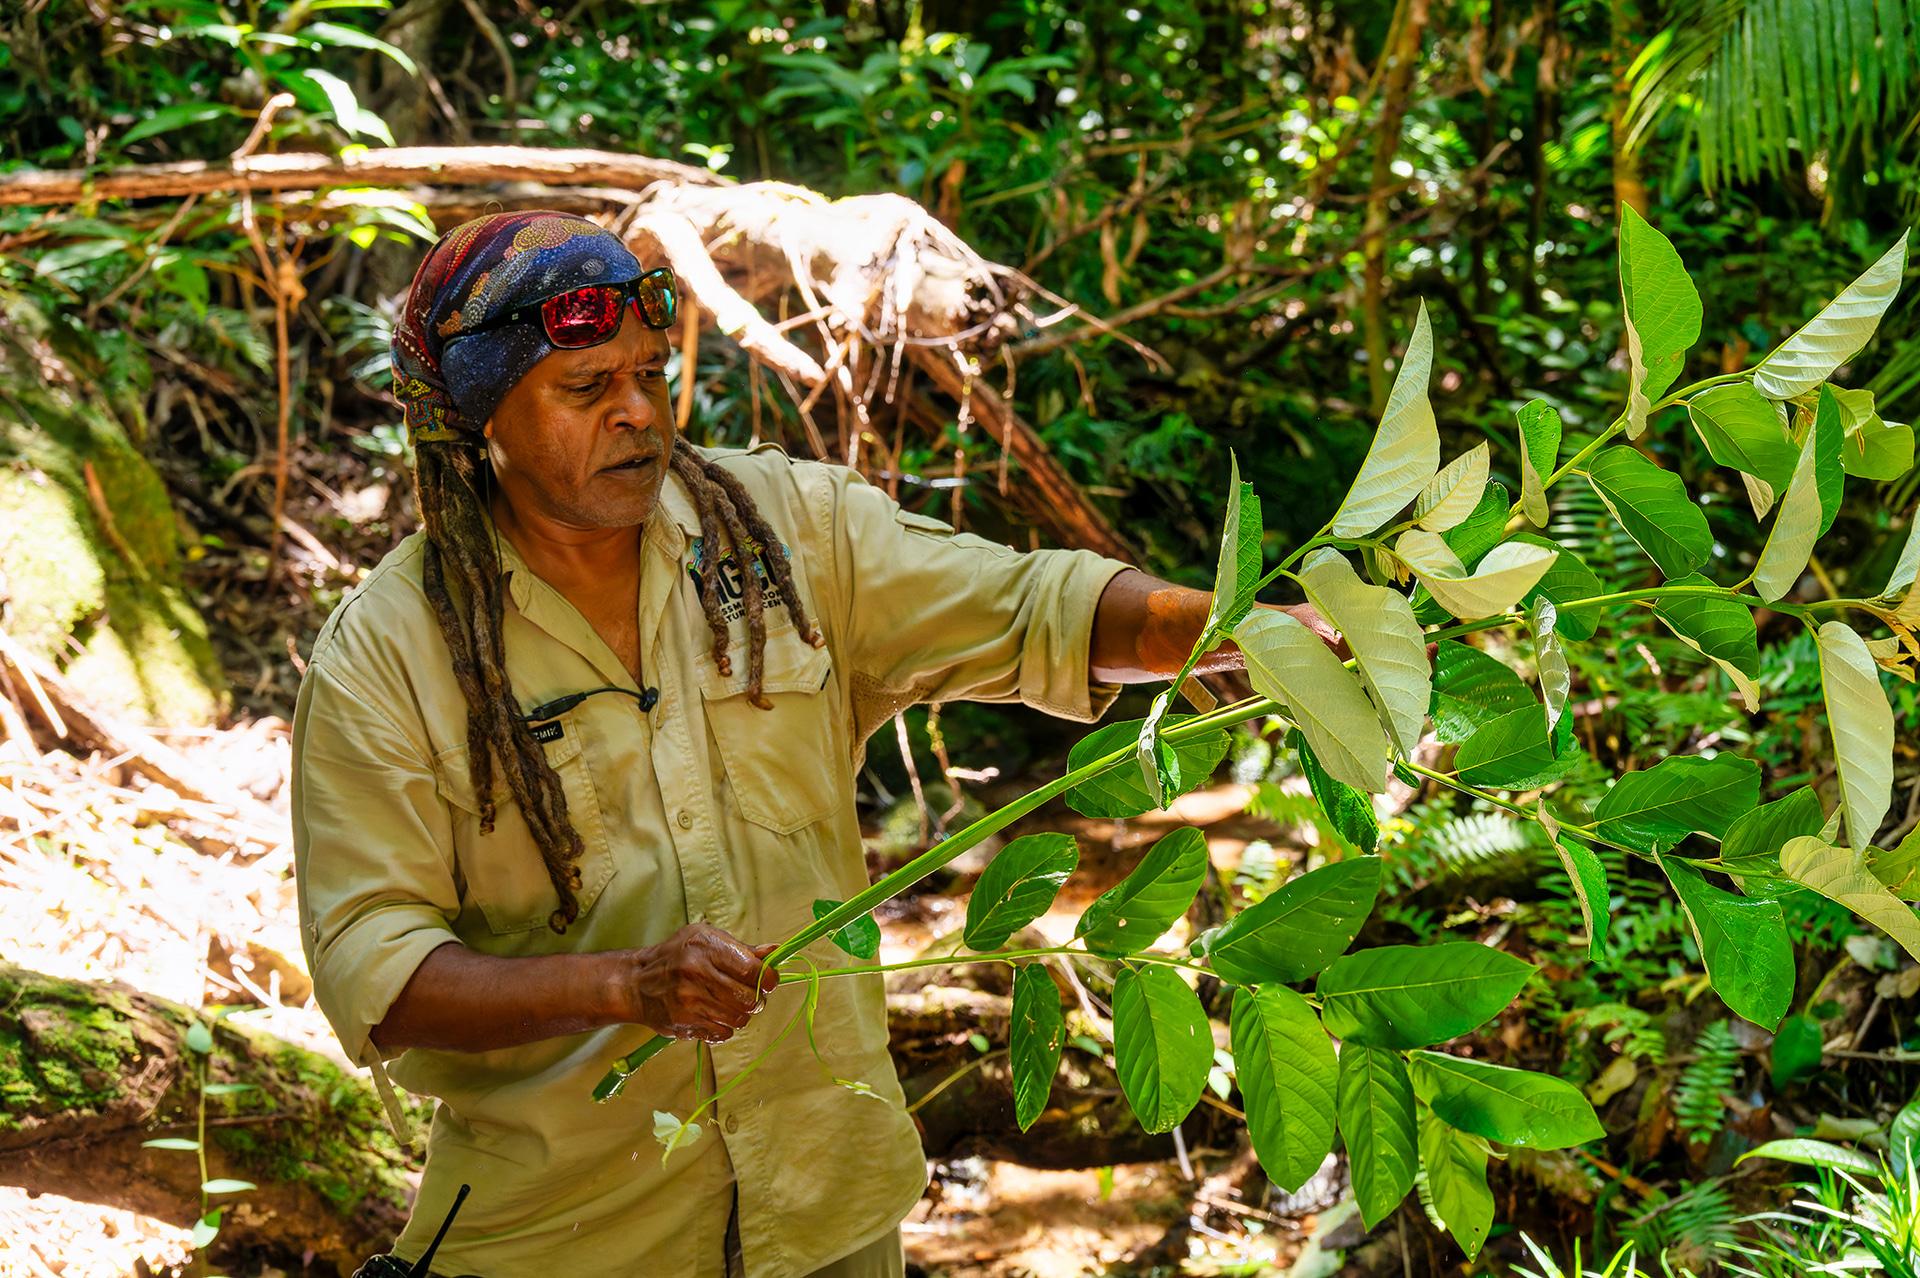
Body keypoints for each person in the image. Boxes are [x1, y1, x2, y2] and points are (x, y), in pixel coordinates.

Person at [292, 211, 1336, 1278]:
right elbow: (377, 970)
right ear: (480, 416)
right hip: (566, 1236)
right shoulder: (391, 656)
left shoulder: (784, 533)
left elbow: (1032, 606)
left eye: (651, 374)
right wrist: (621, 986)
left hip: (828, 1212)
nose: (638, 414)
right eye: (585, 387)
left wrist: (1223, 632)